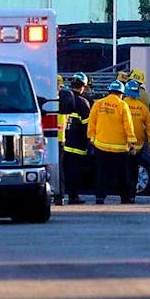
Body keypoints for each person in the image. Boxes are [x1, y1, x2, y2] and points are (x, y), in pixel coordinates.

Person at [87, 79, 136, 205]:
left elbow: (92, 122)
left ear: (109, 91)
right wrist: (132, 143)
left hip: (101, 145)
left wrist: (92, 138)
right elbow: (128, 125)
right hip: (120, 148)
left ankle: (100, 197)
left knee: (101, 174)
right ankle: (125, 198)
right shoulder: (122, 105)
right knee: (122, 175)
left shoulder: (99, 103)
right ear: (121, 93)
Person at [123, 79, 150, 200]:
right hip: (138, 145)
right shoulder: (142, 108)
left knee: (123, 170)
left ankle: (124, 195)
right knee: (133, 170)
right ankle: (132, 195)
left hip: (122, 145)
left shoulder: (121, 105)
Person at [63, 72, 92, 204]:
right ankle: (73, 196)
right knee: (75, 171)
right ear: (83, 86)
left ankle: (63, 195)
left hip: (65, 140)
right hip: (78, 144)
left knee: (66, 170)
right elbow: (87, 125)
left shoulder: (64, 98)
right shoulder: (82, 102)